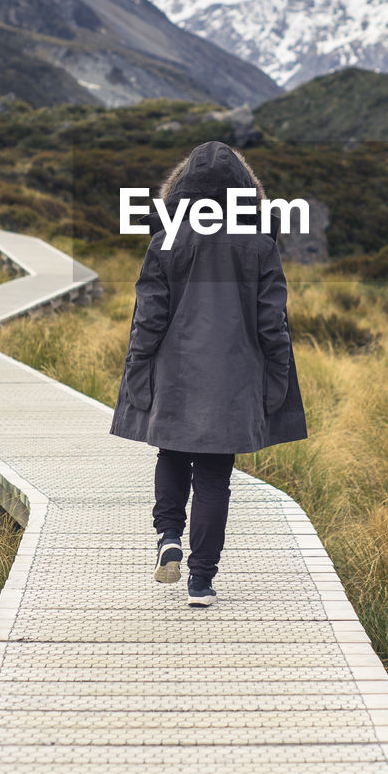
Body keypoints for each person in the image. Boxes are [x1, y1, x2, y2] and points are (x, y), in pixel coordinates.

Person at [110, 140, 308, 607]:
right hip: (234, 380)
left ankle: (168, 536)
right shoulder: (259, 245)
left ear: (180, 193)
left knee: (172, 456)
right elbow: (271, 323)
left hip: (175, 374)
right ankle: (202, 580)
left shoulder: (167, 241)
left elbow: (148, 318)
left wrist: (138, 372)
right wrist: (277, 378)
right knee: (216, 476)